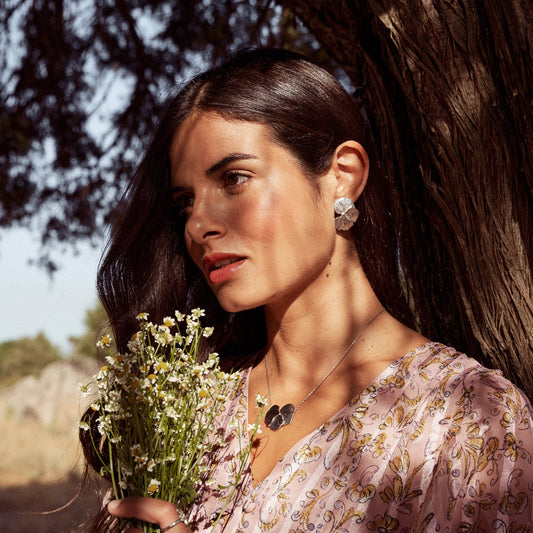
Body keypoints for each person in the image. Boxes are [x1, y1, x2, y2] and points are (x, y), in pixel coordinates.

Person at [81, 48, 533, 532]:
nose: (198, 224)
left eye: (234, 178)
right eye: (185, 200)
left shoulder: (467, 422)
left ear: (343, 175)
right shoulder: (189, 412)